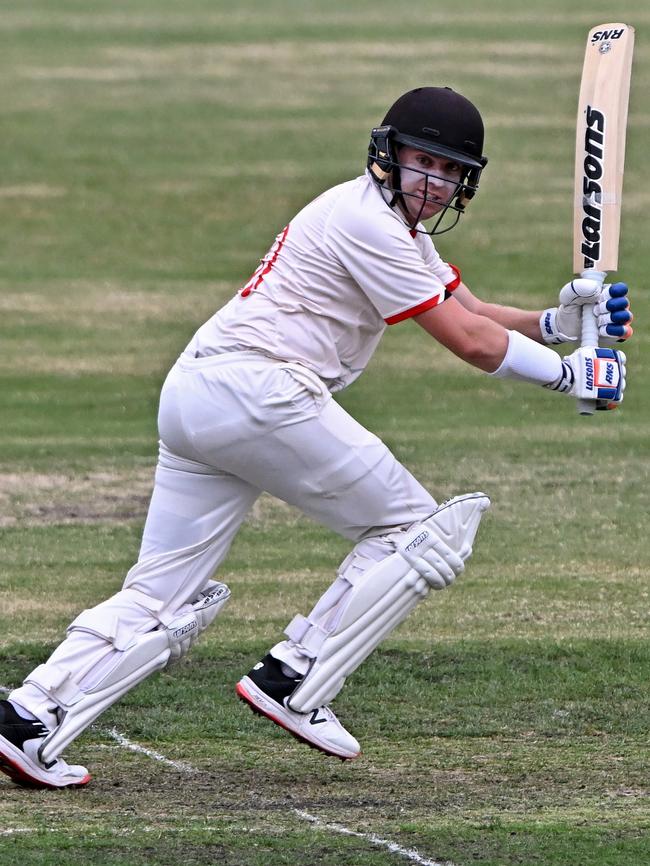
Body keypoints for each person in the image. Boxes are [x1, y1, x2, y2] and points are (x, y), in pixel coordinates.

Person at [0, 86, 632, 789]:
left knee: (158, 594)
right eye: (424, 162)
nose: (436, 182)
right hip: (262, 393)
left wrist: (554, 324)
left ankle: (29, 718)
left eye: (451, 171)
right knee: (414, 528)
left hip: (201, 394)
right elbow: (473, 345)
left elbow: (474, 311)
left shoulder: (395, 231)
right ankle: (294, 677)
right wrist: (573, 375)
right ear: (388, 156)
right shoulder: (369, 225)